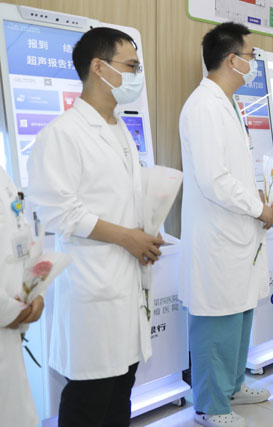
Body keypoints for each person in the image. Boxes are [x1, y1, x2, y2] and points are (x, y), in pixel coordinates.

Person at [27, 27, 164, 426]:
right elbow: (57, 212)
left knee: (121, 389)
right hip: (92, 283)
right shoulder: (62, 134)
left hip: (125, 280)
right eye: (131, 66)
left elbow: (122, 198)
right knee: (89, 398)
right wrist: (126, 237)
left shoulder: (119, 129)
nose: (137, 75)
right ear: (99, 67)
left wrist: (144, 232)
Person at [178, 22, 273, 427]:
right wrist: (257, 208)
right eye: (251, 55)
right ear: (232, 59)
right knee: (216, 321)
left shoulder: (227, 103)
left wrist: (258, 203)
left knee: (238, 314)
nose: (254, 62)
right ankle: (210, 405)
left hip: (238, 232)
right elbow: (214, 179)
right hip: (217, 236)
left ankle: (232, 386)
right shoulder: (203, 106)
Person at [1, 168, 44, 427]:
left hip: (12, 327)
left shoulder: (2, 175)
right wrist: (8, 310)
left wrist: (35, 291)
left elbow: (21, 231)